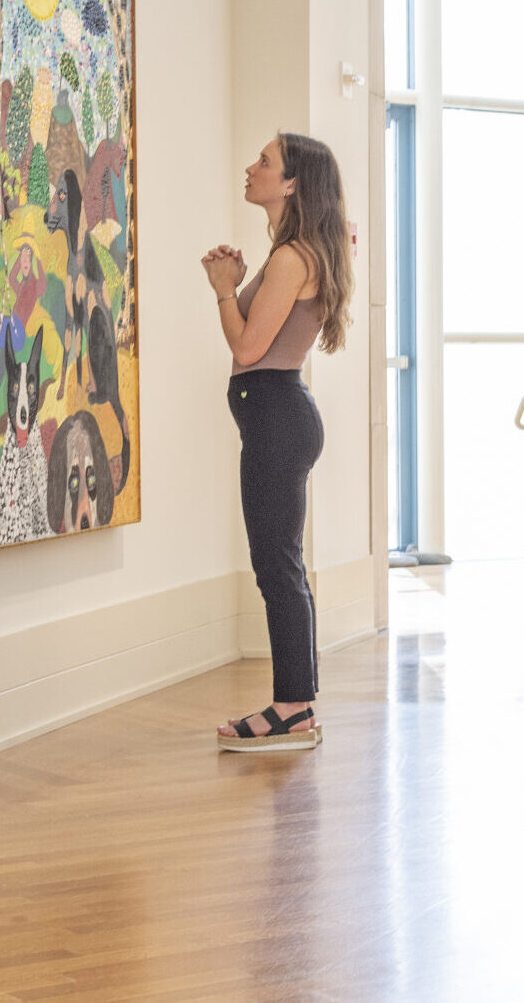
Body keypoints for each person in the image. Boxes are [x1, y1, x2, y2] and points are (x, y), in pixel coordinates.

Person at [201, 132, 356, 754]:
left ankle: (293, 709)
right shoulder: (296, 250)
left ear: (291, 182)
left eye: (264, 162)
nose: (250, 168)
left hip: (275, 415)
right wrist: (237, 280)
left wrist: (219, 288)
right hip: (279, 414)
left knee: (277, 567)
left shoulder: (293, 257)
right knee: (281, 564)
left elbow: (246, 348)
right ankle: (297, 703)